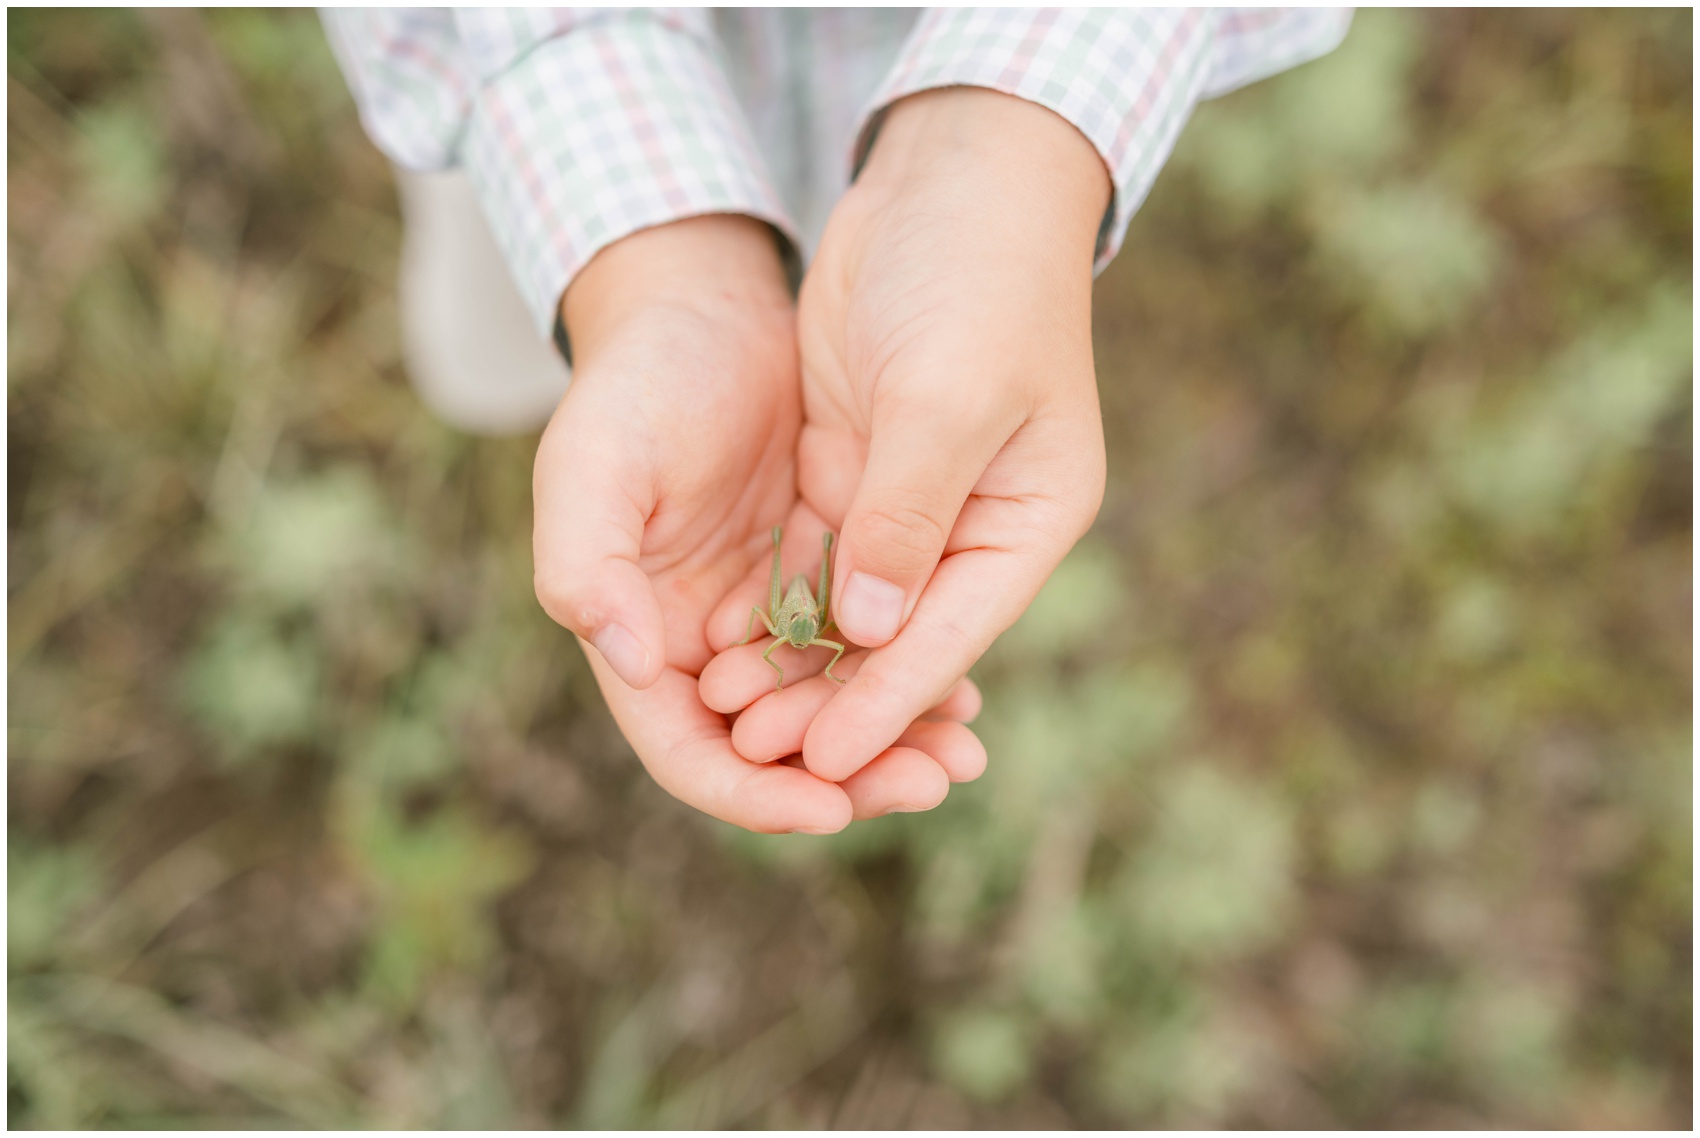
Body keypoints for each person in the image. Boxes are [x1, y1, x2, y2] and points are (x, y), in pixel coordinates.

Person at [322, 8, 1352, 834]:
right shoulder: (783, 615)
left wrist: (1000, 143)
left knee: (934, 365)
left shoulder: (792, 614)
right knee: (526, 323)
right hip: (566, 134)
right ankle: (598, 346)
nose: (799, 626)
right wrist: (653, 278)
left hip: (945, 79)